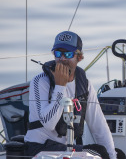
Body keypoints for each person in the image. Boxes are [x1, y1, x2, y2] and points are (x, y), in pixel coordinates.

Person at [24, 31, 117, 159]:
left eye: (67, 54)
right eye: (58, 53)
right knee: (98, 152)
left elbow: (99, 126)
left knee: (115, 154)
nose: (62, 59)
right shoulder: (40, 81)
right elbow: (49, 123)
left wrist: (113, 157)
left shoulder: (85, 84)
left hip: (65, 149)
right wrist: (60, 86)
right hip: (38, 147)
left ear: (79, 57)